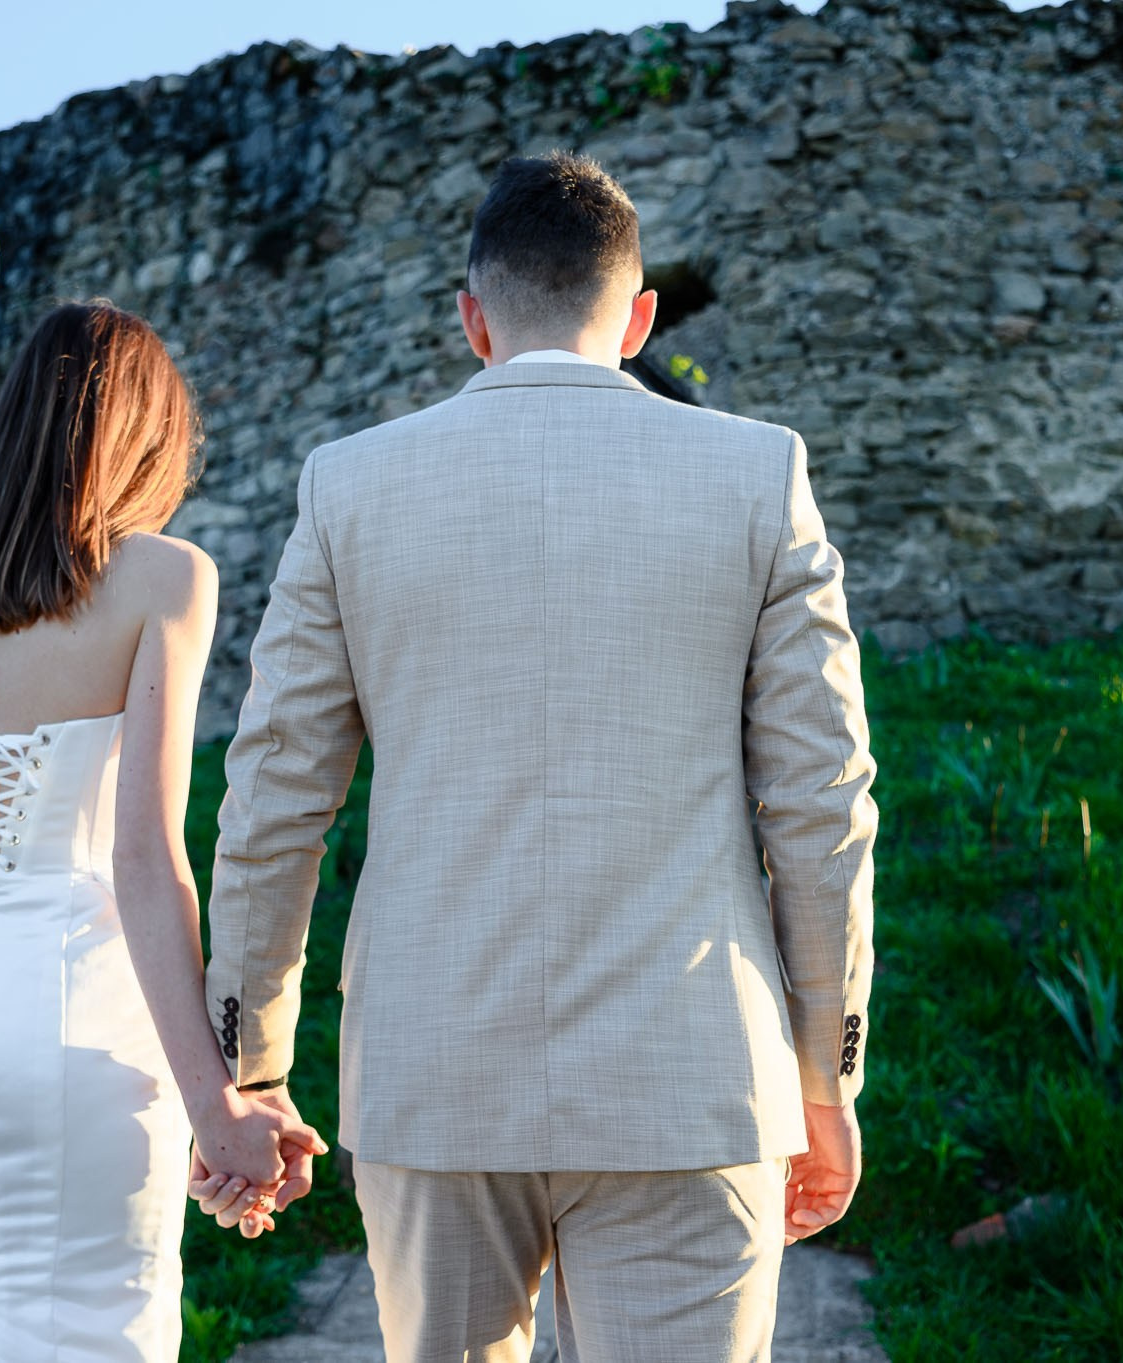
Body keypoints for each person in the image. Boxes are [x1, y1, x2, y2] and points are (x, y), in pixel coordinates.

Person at [200, 153, 878, 1362]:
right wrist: (825, 1073)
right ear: (637, 317)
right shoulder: (756, 474)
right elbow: (821, 807)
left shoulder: (346, 488)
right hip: (691, 1074)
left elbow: (272, 802)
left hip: (433, 1075)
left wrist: (245, 1067)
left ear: (472, 319)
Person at [0, 300, 325, 1363]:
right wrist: (217, 1105)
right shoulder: (162, 578)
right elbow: (145, 860)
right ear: (142, 436)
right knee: (96, 1333)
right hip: (76, 1022)